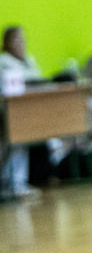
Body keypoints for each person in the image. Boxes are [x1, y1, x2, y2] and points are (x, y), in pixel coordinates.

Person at [0, 25, 43, 197]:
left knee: (22, 141)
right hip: (7, 109)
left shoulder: (28, 60)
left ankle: (18, 182)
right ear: (7, 42)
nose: (20, 43)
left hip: (26, 109)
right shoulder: (3, 60)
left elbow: (38, 78)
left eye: (22, 40)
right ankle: (11, 182)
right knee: (14, 143)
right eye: (16, 40)